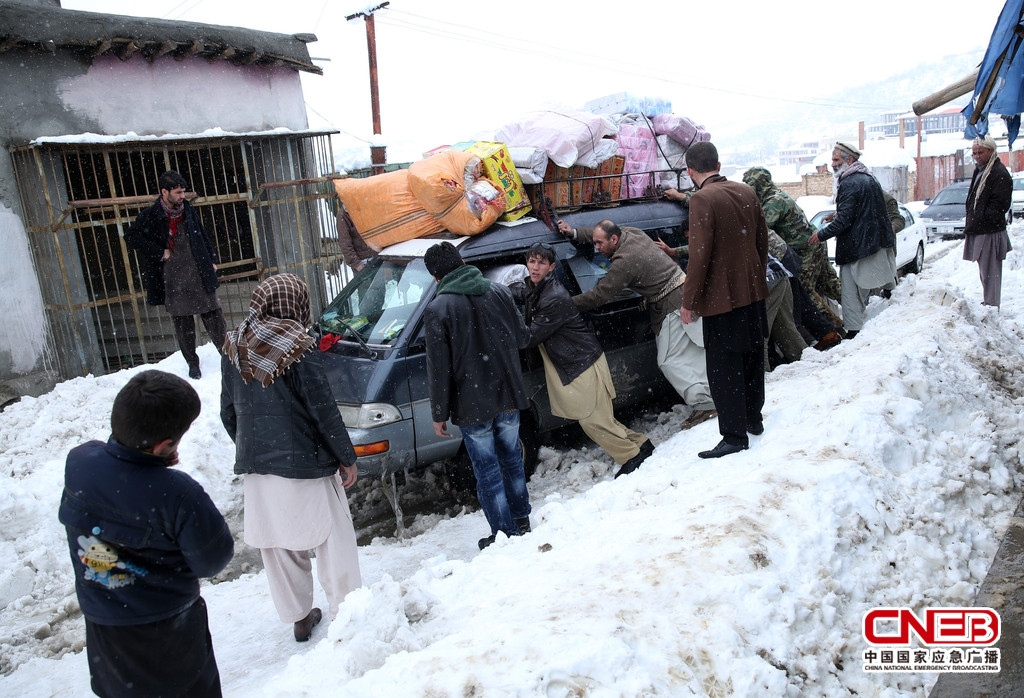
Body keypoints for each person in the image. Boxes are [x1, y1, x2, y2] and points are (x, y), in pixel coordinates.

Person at [58, 370, 233, 697]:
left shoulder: (80, 462)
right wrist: (156, 471)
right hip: (167, 634)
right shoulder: (179, 496)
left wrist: (149, 461)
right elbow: (211, 561)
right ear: (164, 445)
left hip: (105, 632)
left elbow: (117, 472)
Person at [221, 273, 361, 643]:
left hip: (257, 465)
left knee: (279, 543)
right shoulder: (299, 345)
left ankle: (299, 617)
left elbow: (228, 412)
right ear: (294, 304)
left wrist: (254, 446)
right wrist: (345, 456)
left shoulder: (234, 345)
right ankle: (347, 610)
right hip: (304, 463)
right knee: (334, 537)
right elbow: (322, 408)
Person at [509, 243, 654, 479]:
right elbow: (523, 291)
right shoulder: (538, 287)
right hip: (575, 360)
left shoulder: (553, 296)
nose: (535, 267)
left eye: (541, 263)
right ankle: (641, 443)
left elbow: (529, 337)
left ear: (552, 267)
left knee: (591, 421)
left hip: (582, 363)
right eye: (531, 261)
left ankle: (631, 456)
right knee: (601, 418)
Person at [423, 241, 533, 549]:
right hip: (508, 394)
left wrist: (438, 414)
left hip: (472, 405)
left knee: (487, 470)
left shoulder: (437, 309)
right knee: (512, 458)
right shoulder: (499, 292)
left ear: (435, 277)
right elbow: (523, 338)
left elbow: (439, 369)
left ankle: (503, 533)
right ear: (461, 261)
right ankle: (522, 518)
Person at [557, 218, 715, 425]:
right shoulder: (632, 233)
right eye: (594, 243)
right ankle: (716, 393)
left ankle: (706, 406)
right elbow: (601, 233)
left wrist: (562, 305)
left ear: (614, 239)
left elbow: (599, 295)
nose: (596, 248)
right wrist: (575, 233)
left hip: (672, 306)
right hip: (685, 296)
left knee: (670, 361)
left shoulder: (625, 263)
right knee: (696, 352)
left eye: (600, 244)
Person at [680, 141, 770, 459]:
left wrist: (688, 301)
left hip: (722, 300)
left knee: (723, 369)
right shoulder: (746, 191)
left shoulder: (702, 199)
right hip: (754, 291)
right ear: (718, 164)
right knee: (751, 359)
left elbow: (699, 256)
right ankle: (753, 419)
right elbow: (762, 242)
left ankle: (733, 435)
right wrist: (754, 278)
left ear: (691, 171)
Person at [125, 170, 227, 380]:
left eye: (183, 192)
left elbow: (202, 235)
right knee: (184, 324)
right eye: (178, 192)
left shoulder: (187, 210)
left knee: (214, 318)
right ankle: (192, 364)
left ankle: (228, 358)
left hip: (198, 272)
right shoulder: (151, 215)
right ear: (164, 192)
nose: (182, 196)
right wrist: (159, 252)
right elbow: (131, 237)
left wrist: (212, 259)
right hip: (173, 277)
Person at [808, 142, 897, 339]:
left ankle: (854, 330)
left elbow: (846, 220)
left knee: (850, 290)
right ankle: (891, 293)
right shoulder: (867, 178)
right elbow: (860, 209)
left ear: (849, 160)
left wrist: (821, 235)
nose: (832, 164)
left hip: (858, 245)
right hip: (874, 241)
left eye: (836, 160)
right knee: (880, 276)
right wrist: (835, 214)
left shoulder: (848, 183)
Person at [741, 166, 843, 324]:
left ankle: (834, 326)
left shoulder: (774, 201)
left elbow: (761, 229)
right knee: (829, 283)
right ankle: (855, 311)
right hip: (812, 245)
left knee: (805, 293)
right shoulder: (775, 196)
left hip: (806, 250)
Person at [963, 134, 1013, 307]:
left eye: (980, 153)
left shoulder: (998, 173)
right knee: (984, 272)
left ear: (991, 151)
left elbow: (1000, 205)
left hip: (990, 230)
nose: (977, 156)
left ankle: (991, 307)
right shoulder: (981, 170)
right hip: (980, 228)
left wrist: (981, 218)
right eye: (974, 153)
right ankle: (989, 304)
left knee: (991, 273)